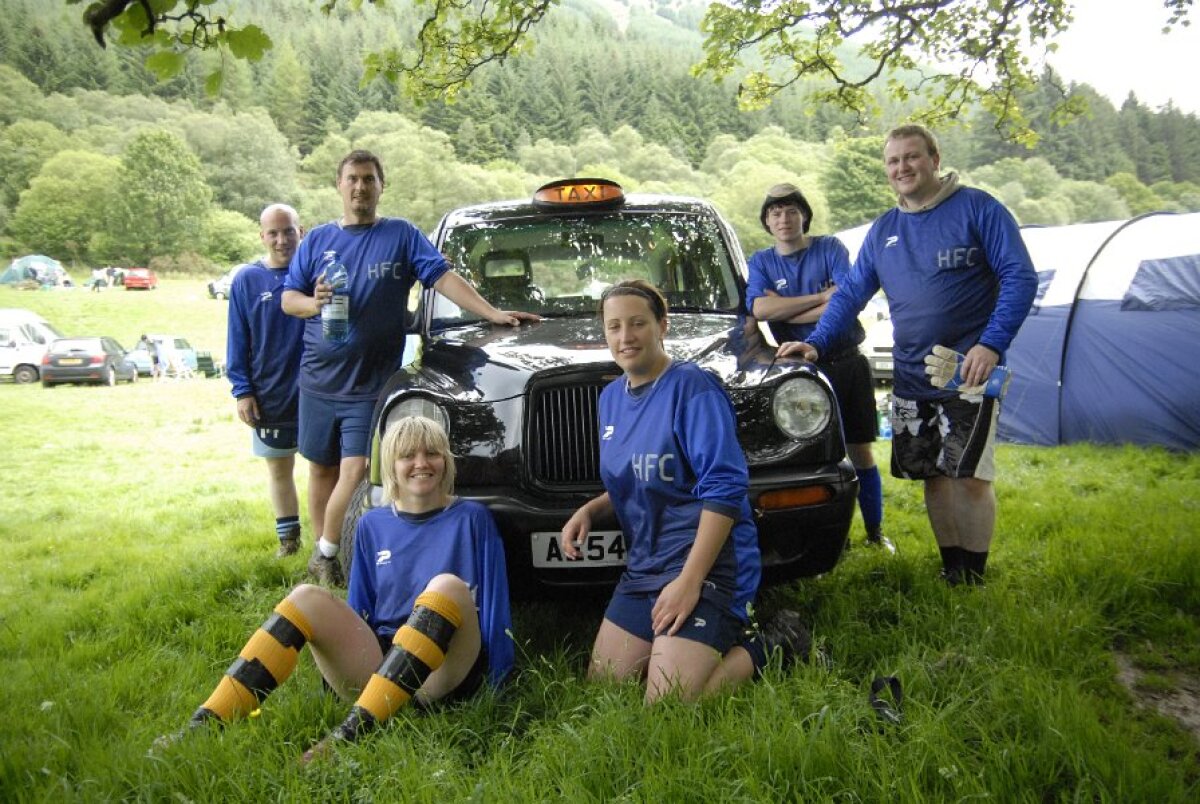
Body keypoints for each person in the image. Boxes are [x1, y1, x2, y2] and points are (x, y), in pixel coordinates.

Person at [154, 416, 514, 762]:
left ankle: (347, 736)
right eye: (408, 455)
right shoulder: (372, 525)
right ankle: (202, 726)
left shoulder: (472, 518)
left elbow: (495, 604)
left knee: (446, 586)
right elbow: (359, 611)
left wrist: (498, 681)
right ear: (391, 465)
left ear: (445, 461)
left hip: (442, 669)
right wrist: (341, 666)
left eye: (431, 453)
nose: (421, 463)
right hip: (384, 663)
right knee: (305, 596)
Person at [778, 124, 1037, 586]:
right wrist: (816, 342)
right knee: (932, 475)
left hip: (969, 372)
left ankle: (974, 578)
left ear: (934, 159)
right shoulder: (885, 230)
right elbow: (850, 294)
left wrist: (991, 343)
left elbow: (1020, 276)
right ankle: (951, 568)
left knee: (969, 476)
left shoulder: (979, 208)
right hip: (912, 376)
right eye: (893, 161)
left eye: (912, 157)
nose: (903, 167)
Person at [281, 150, 540, 586]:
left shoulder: (400, 235)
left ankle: (326, 552)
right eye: (352, 179)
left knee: (355, 470)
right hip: (318, 381)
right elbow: (290, 299)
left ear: (382, 186)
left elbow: (443, 277)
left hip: (369, 384)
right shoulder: (317, 240)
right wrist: (314, 303)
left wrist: (492, 313)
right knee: (321, 468)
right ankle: (324, 549)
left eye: (369, 179)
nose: (360, 187)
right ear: (339, 185)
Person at [560, 280, 802, 704]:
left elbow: (725, 487)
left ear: (662, 326)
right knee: (606, 689)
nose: (625, 336)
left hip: (707, 567)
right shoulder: (610, 399)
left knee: (669, 703)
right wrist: (592, 510)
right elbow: (643, 476)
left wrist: (689, 582)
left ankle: (775, 642)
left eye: (638, 323)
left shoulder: (693, 387)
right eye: (614, 326)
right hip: (646, 566)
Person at [747, 183, 892, 553]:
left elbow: (848, 300)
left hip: (846, 362)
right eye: (775, 213)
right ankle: (827, 540)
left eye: (791, 211)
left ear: (804, 216)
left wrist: (787, 307)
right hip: (798, 374)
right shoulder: (761, 261)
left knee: (860, 452)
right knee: (809, 456)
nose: (784, 218)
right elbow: (760, 309)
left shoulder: (830, 248)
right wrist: (820, 298)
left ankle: (875, 533)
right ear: (766, 221)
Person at [226, 204, 306, 557]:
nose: (281, 240)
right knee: (279, 469)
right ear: (262, 236)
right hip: (269, 393)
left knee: (327, 469)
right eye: (273, 233)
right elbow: (237, 337)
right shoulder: (246, 279)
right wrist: (242, 390)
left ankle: (331, 542)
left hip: (318, 391)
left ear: (301, 232)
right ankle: (289, 542)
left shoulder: (314, 273)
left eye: (288, 231)